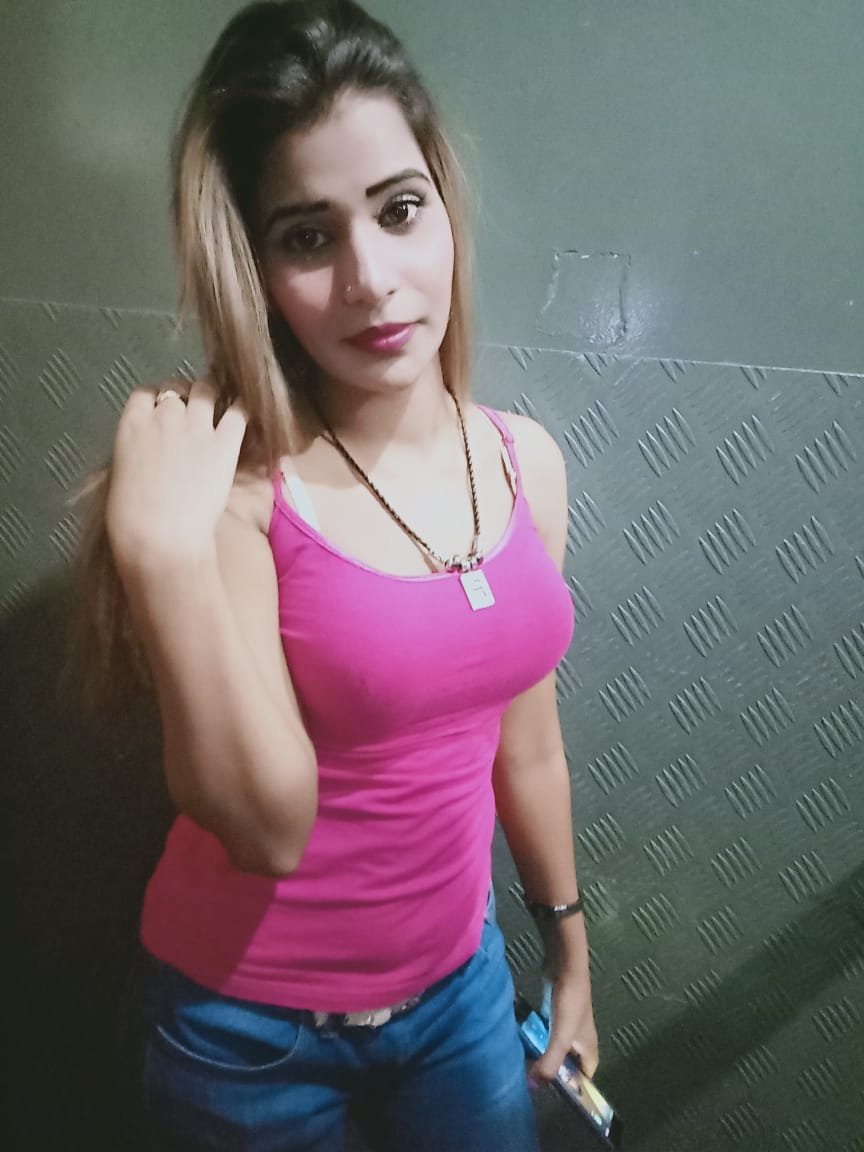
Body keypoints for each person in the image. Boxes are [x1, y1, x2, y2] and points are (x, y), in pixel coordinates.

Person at [74, 2, 598, 1148]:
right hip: (243, 1033)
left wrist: (569, 951)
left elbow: (527, 745)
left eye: (400, 210)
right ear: (255, 267)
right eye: (308, 238)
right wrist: (160, 557)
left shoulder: (529, 463)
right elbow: (267, 830)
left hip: (460, 992)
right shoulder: (238, 494)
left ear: (444, 205)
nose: (371, 280)